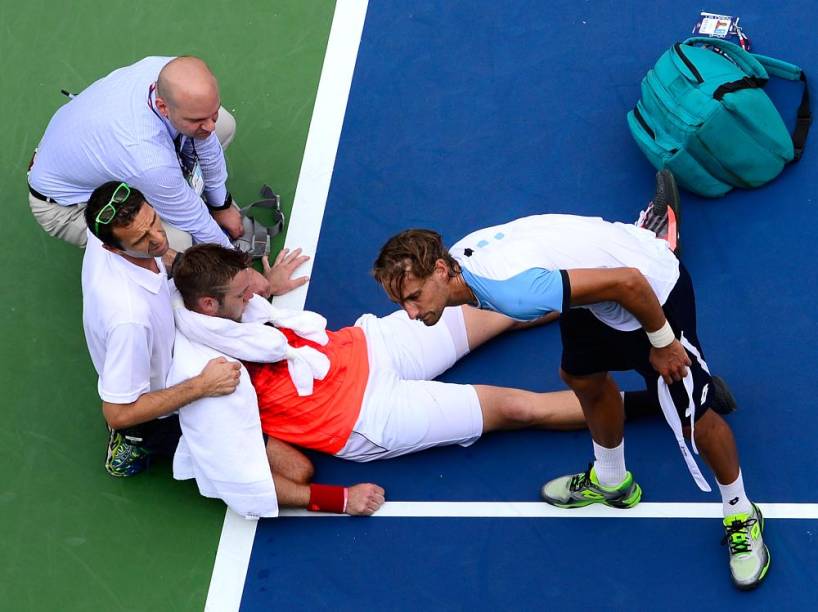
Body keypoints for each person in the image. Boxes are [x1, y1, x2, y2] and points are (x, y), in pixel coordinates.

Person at [371, 170, 768, 591]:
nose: (411, 313)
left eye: (413, 297)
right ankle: (613, 481)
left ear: (439, 269)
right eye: (401, 303)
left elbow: (628, 283)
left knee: (693, 416)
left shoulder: (513, 290)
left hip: (653, 294)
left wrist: (664, 342)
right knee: (581, 375)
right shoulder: (463, 259)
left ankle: (741, 511)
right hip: (597, 299)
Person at [167, 244, 691, 517]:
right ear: (210, 306)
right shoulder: (203, 378)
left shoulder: (226, 307)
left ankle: (633, 274)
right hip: (370, 417)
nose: (256, 293)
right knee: (516, 409)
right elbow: (241, 483)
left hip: (369, 347)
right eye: (246, 293)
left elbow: (254, 295)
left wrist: (269, 286)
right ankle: (661, 398)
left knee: (499, 305)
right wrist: (337, 499)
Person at [81, 181, 306, 478]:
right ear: (110, 248)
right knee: (295, 470)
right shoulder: (130, 319)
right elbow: (118, 413)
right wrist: (203, 385)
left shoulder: (115, 237)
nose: (157, 238)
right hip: (154, 410)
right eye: (141, 240)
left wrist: (243, 283)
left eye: (153, 222)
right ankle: (136, 442)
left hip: (172, 347)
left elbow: (162, 253)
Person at [29, 56, 242, 250]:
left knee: (223, 124)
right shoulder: (148, 160)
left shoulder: (171, 71)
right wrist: (236, 264)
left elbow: (205, 141)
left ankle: (172, 190)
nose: (209, 126)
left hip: (87, 144)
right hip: (66, 208)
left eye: (210, 113)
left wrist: (220, 205)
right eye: (196, 120)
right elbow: (196, 222)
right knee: (176, 241)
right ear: (163, 107)